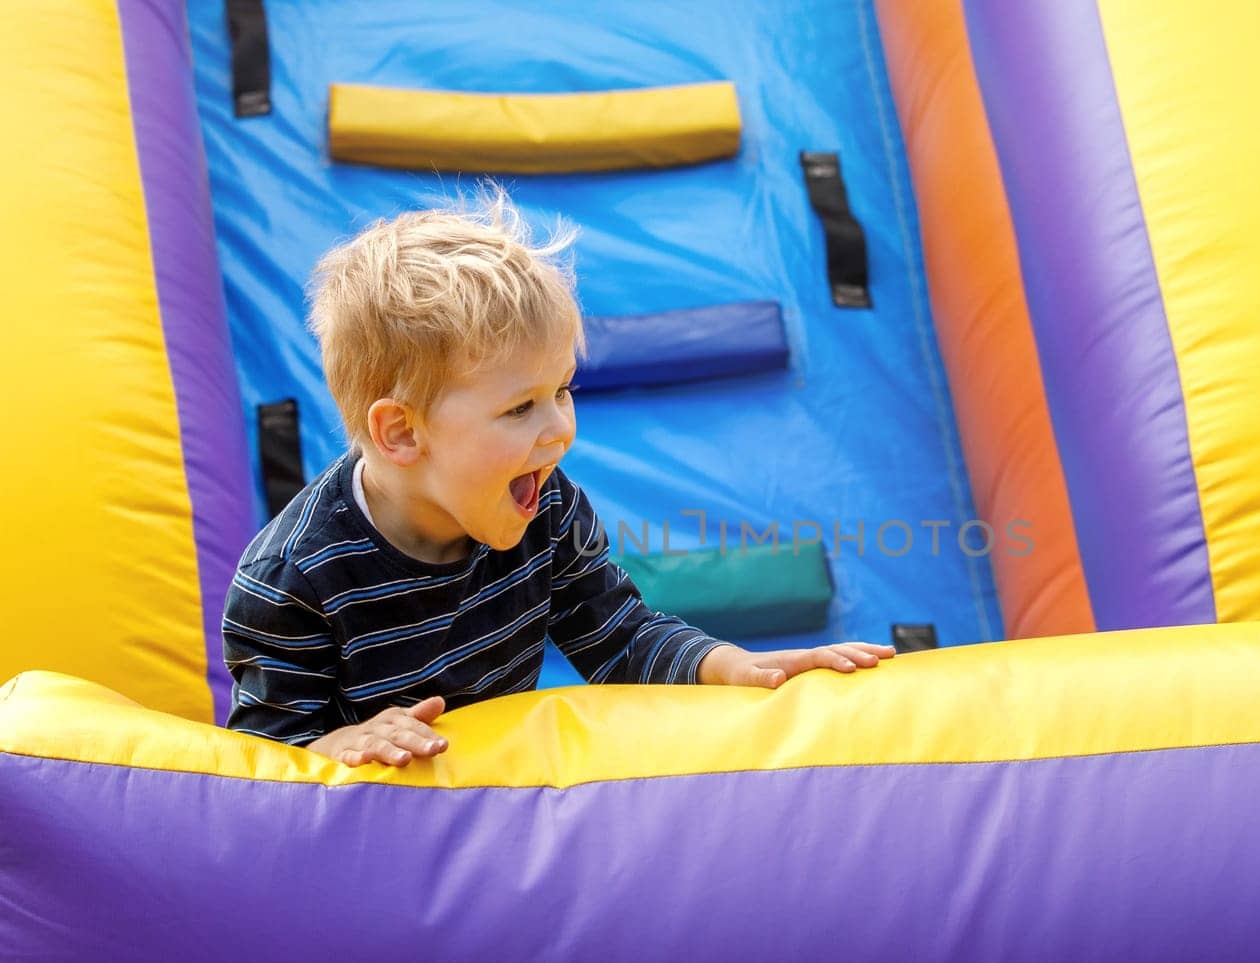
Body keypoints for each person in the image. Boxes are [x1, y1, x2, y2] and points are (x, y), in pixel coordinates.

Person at [223, 192, 892, 767]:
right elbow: (261, 760)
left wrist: (734, 666)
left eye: (562, 392)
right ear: (402, 433)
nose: (559, 430)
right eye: (520, 407)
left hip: (497, 787)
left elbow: (619, 638)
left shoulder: (544, 509)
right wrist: (338, 745)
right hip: (382, 821)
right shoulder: (294, 583)